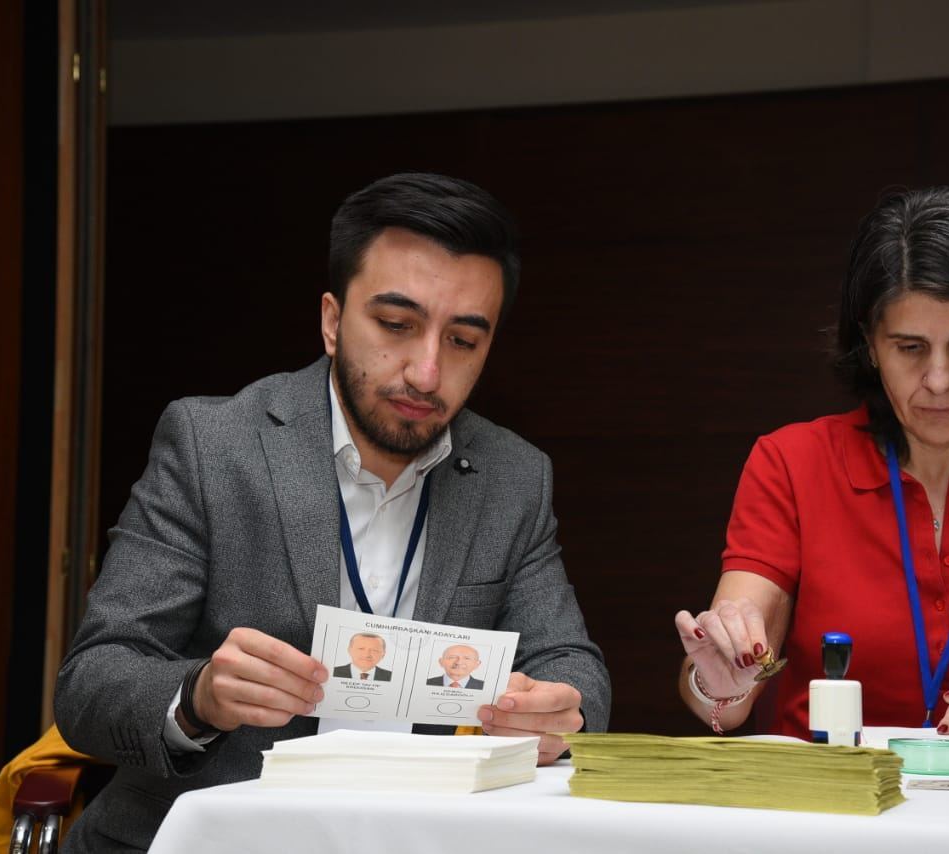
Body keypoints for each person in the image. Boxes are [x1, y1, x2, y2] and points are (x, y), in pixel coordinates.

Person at [55, 172, 610, 852]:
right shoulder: (213, 446)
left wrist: (561, 713)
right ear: (330, 320)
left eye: (463, 341)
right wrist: (198, 695)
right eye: (396, 326)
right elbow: (94, 680)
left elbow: (573, 668)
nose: (426, 372)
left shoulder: (513, 478)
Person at [675, 186, 949, 740]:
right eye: (910, 348)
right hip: (827, 807)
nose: (938, 381)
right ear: (870, 345)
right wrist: (717, 683)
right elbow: (730, 678)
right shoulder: (792, 463)